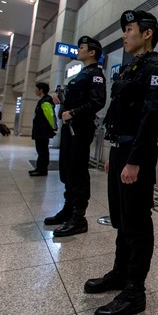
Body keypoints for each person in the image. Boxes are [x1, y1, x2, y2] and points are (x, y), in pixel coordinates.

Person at [84, 10, 158, 315]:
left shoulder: (157, 70)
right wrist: (115, 151)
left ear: (147, 33)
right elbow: (118, 112)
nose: (124, 35)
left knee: (136, 223)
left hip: (139, 154)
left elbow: (152, 118)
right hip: (122, 151)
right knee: (122, 219)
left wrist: (134, 159)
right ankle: (120, 273)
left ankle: (135, 291)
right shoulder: (130, 68)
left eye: (129, 29)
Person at [45, 35, 106, 237]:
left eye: (82, 48)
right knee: (68, 170)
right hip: (69, 128)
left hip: (79, 129)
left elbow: (97, 102)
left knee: (78, 172)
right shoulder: (82, 73)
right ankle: (68, 209)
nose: (78, 50)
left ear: (92, 52)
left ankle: (79, 217)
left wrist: (73, 112)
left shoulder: (96, 74)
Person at [29, 82, 57, 176]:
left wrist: (53, 128)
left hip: (43, 131)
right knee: (41, 150)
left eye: (37, 89)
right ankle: (39, 168)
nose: (35, 91)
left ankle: (42, 170)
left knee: (42, 151)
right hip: (40, 130)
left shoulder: (45, 101)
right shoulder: (43, 100)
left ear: (41, 90)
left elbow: (50, 116)